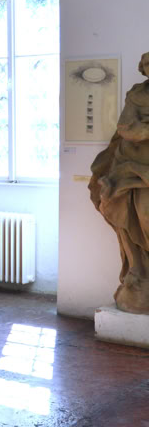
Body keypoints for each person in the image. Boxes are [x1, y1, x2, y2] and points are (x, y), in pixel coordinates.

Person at [89, 52, 149, 313]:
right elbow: (126, 128)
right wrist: (141, 130)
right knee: (130, 214)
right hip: (130, 163)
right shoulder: (137, 94)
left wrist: (142, 128)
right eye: (147, 64)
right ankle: (139, 270)